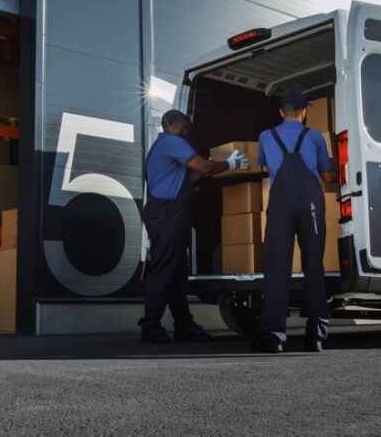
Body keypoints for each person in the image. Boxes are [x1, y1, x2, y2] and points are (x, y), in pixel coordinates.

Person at [140, 109, 248, 343]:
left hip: (169, 214)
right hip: (167, 214)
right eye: (185, 123)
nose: (189, 127)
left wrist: (210, 168)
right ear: (173, 124)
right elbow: (204, 167)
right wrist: (229, 163)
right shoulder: (172, 142)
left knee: (176, 272)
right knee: (163, 270)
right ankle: (150, 326)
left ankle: (184, 325)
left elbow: (188, 179)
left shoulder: (164, 146)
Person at [252, 91, 337, 353]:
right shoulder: (314, 137)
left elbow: (264, 168)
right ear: (304, 113)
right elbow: (326, 174)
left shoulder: (266, 136)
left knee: (277, 268)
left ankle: (273, 336)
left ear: (281, 112)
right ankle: (316, 336)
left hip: (280, 205)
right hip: (310, 203)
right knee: (313, 266)